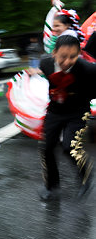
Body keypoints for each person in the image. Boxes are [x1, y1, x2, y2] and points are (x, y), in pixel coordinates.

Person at [34, 36, 96, 201]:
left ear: (79, 54)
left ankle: (85, 176)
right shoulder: (45, 63)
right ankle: (51, 186)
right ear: (54, 53)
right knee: (46, 147)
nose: (67, 61)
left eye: (73, 57)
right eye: (63, 56)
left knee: (69, 146)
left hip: (78, 112)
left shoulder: (88, 69)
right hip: (54, 111)